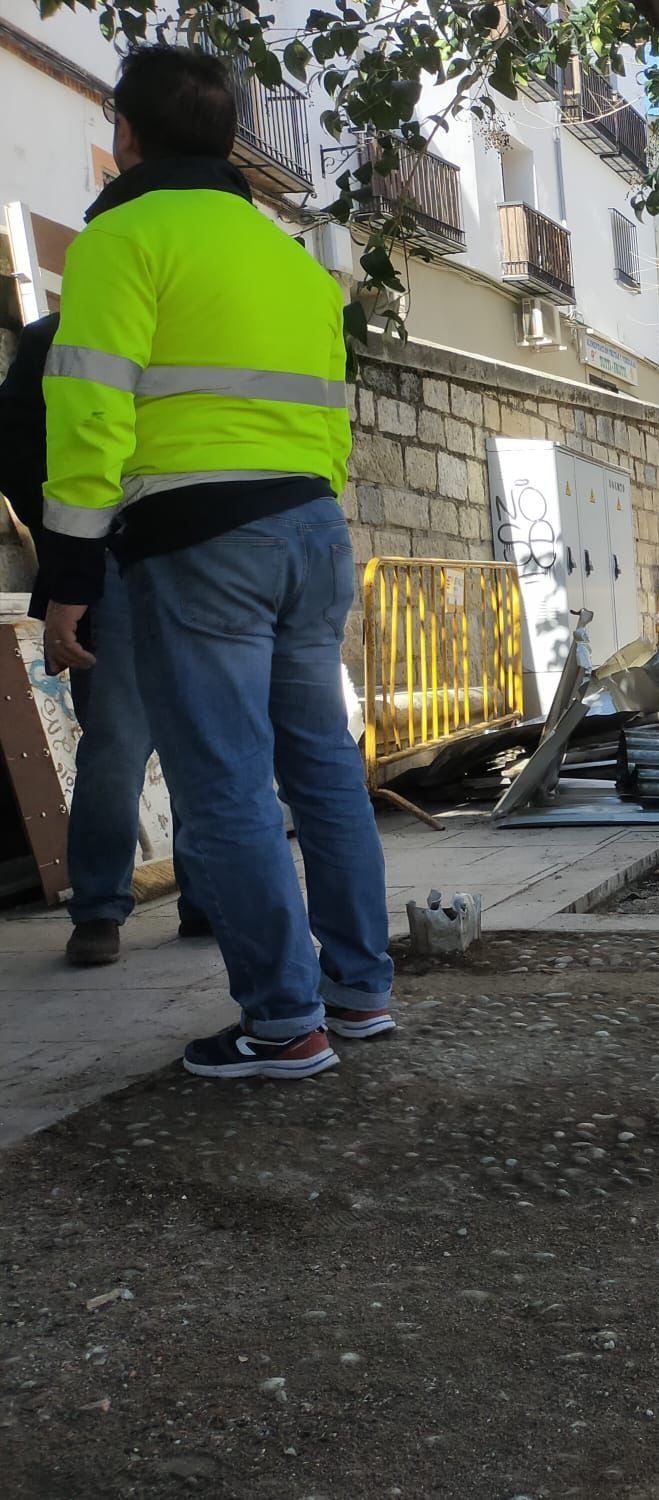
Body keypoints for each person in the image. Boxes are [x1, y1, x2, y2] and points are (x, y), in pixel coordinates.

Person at [40, 45, 392, 1079]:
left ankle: (283, 1024)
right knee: (321, 768)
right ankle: (360, 995)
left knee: (226, 779)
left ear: (127, 134)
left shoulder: (122, 240)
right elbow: (333, 421)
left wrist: (68, 579)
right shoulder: (289, 256)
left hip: (200, 542)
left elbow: (90, 413)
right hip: (311, 530)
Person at [0, 312, 210, 965]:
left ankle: (113, 910)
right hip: (162, 550)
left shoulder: (61, 336)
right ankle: (156, 902)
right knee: (172, 737)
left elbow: (16, 452)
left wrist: (70, 551)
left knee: (144, 740)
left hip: (139, 550)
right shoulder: (175, 327)